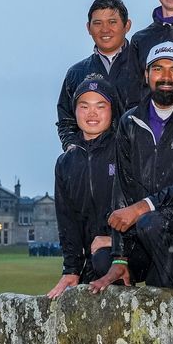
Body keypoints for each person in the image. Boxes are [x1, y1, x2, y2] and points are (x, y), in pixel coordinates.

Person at [89, 42, 173, 297]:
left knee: (152, 224)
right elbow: (123, 189)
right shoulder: (130, 121)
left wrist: (144, 206)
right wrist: (120, 256)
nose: (165, 77)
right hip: (145, 223)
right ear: (146, 75)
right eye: (158, 69)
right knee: (104, 260)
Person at [48, 74, 120, 299]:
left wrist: (115, 241)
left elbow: (142, 205)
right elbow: (66, 220)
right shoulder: (66, 162)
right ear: (74, 111)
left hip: (124, 252)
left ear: (112, 110)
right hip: (90, 257)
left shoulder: (125, 151)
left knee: (103, 261)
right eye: (84, 106)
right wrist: (70, 269)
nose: (92, 113)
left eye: (101, 106)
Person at [56, 0, 146, 150]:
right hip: (93, 163)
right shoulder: (77, 73)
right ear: (88, 28)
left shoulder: (145, 68)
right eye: (97, 23)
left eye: (112, 22)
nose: (105, 29)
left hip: (137, 160)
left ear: (127, 25)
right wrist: (73, 149)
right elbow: (66, 120)